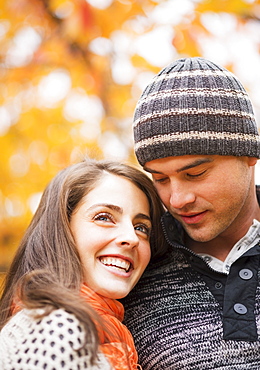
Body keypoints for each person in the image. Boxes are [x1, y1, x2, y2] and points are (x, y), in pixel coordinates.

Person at [121, 57, 260, 369]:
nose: (178, 199)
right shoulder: (131, 268)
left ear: (249, 154)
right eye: (160, 179)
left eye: (195, 173)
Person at [0, 159, 166, 370]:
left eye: (141, 227)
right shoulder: (55, 332)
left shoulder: (102, 329)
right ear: (62, 229)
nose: (132, 238)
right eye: (104, 217)